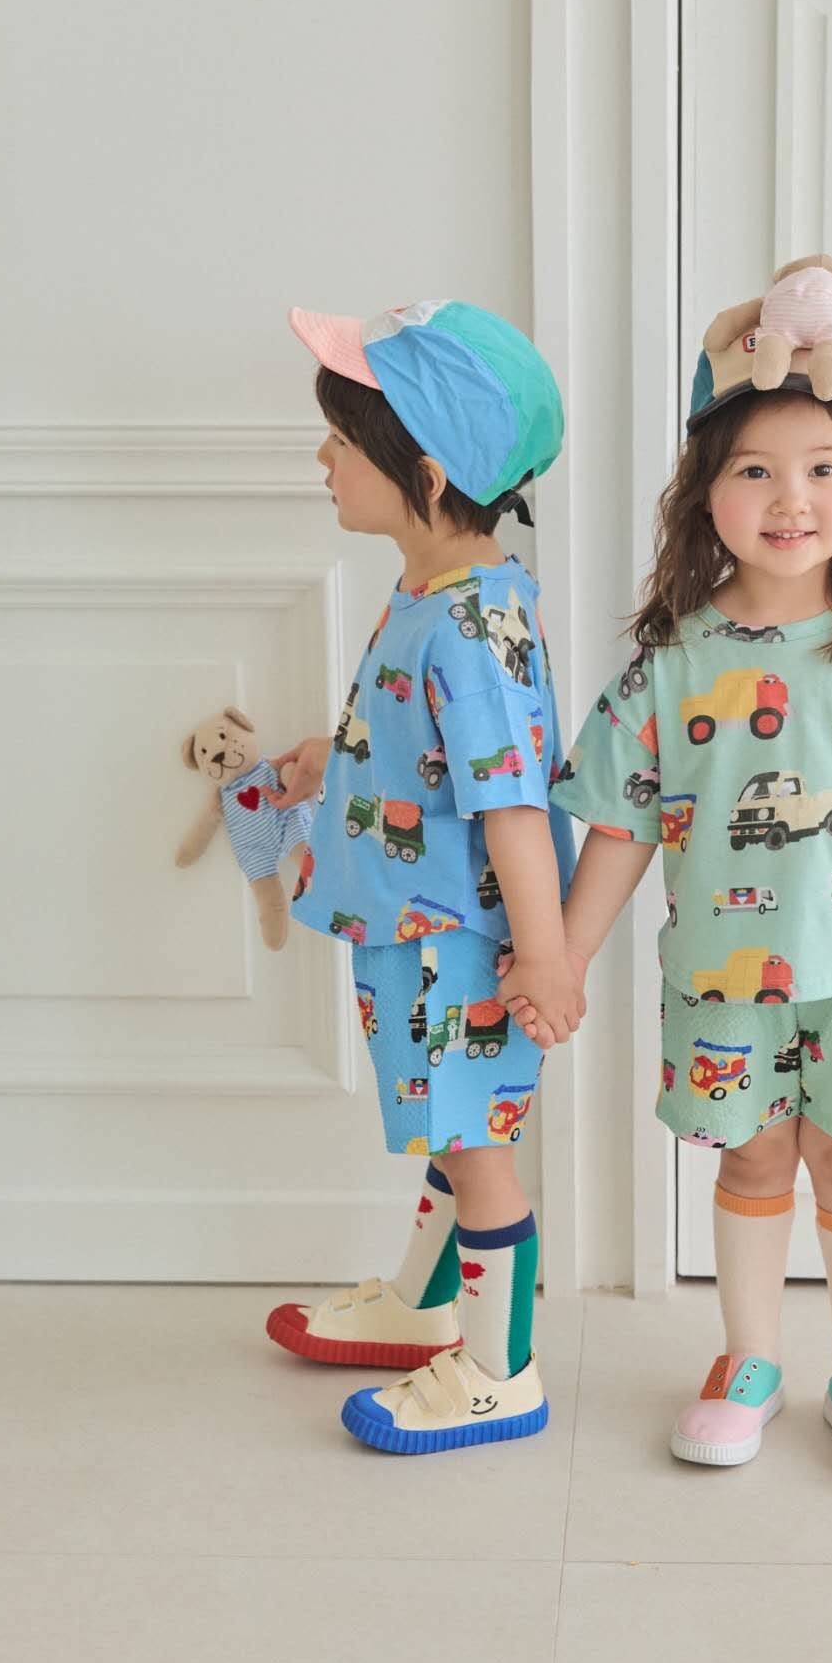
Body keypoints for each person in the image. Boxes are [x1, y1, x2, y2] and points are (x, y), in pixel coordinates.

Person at [511, 267, 832, 1484]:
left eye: (820, 468)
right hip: (723, 983)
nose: (789, 498)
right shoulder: (672, 659)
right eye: (754, 469)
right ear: (705, 493)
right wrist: (562, 957)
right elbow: (622, 828)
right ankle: (745, 1359)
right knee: (749, 1161)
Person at [262, 298, 582, 1454]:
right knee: (449, 1131)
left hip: (457, 947)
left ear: (428, 477)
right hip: (414, 926)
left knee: (475, 1150)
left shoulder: (471, 625)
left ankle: (498, 1372)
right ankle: (421, 1304)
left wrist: (541, 957)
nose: (323, 459)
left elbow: (511, 805)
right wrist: (332, 757)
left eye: (342, 441)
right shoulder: (434, 594)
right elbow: (430, 750)